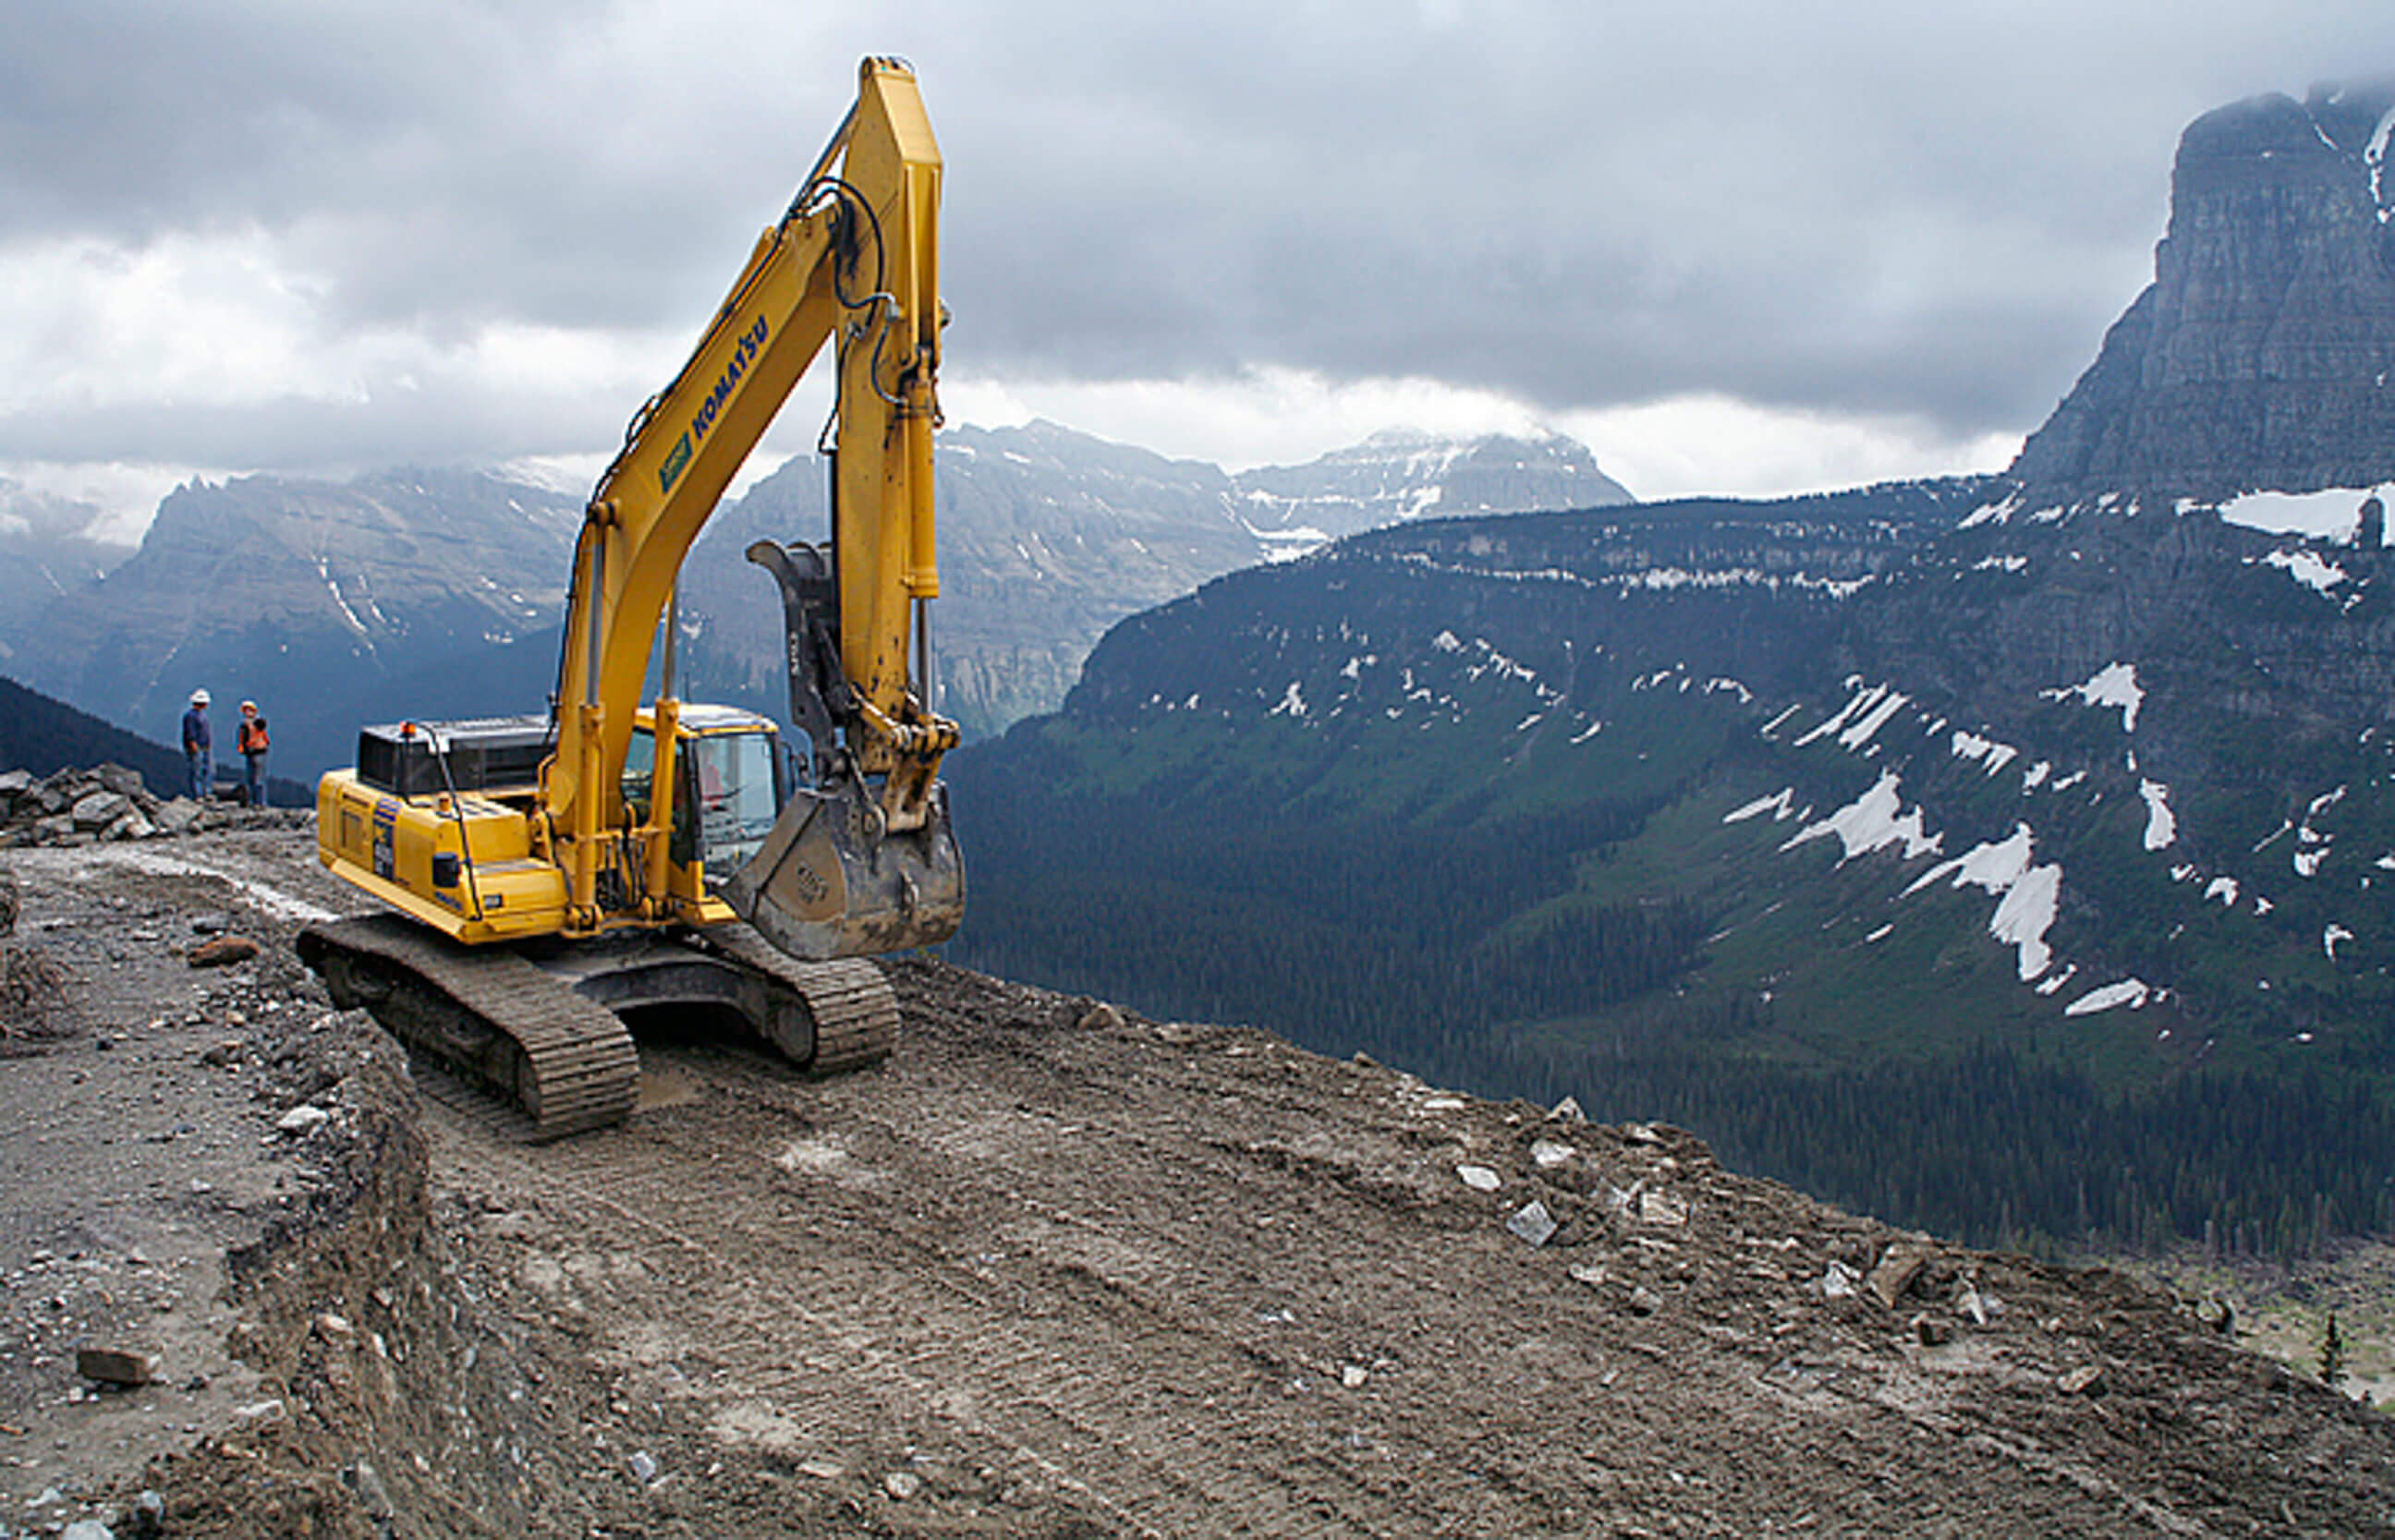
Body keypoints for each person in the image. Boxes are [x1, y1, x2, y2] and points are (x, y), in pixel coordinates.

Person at [237, 699, 271, 808]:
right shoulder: (244, 725)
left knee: (258, 779)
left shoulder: (258, 723)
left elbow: (262, 726)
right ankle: (253, 801)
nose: (247, 713)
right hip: (250, 752)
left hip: (258, 752)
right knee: (251, 778)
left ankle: (260, 802)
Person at [181, 689, 213, 801]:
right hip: (197, 747)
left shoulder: (200, 715)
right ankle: (198, 794)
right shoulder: (191, 716)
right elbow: (191, 732)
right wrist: (193, 744)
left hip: (204, 746)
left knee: (206, 770)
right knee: (197, 771)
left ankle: (205, 792)